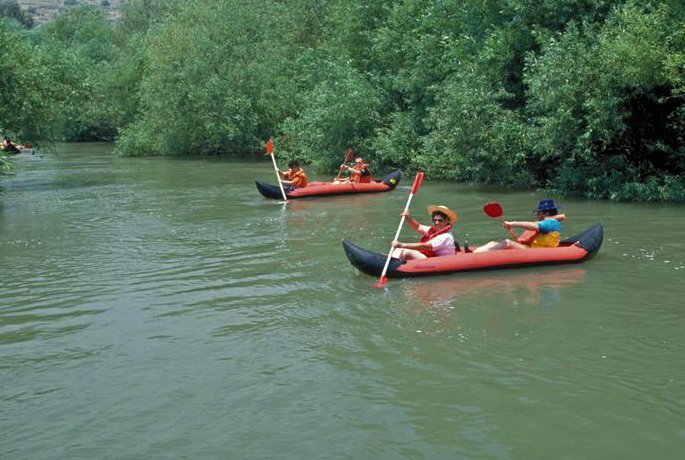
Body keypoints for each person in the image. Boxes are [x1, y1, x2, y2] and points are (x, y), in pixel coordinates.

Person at [473, 199, 565, 252]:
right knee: (493, 243)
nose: (537, 215)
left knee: (507, 242)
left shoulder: (551, 222)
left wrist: (513, 224)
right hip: (533, 249)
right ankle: (474, 253)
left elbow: (534, 226)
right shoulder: (546, 223)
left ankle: (475, 257)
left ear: (546, 213)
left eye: (538, 212)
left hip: (539, 252)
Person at [391, 205, 459, 260]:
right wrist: (408, 218)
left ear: (447, 221)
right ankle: (391, 260)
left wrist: (402, 245)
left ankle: (391, 265)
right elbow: (418, 227)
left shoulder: (446, 236)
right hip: (430, 257)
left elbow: (424, 246)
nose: (436, 222)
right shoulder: (433, 230)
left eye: (440, 220)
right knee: (400, 250)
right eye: (434, 220)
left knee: (403, 250)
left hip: (438, 262)